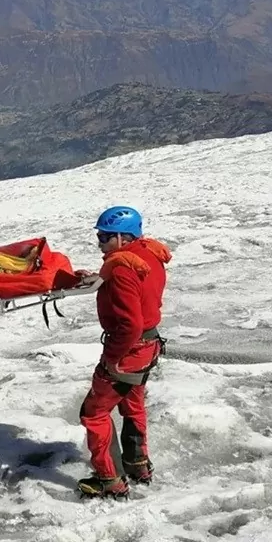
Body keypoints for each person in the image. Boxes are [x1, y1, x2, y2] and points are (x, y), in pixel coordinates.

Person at [76, 205, 172, 499]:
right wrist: (100, 277)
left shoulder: (121, 269)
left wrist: (112, 359)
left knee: (94, 412)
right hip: (149, 345)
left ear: (121, 237)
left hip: (129, 350)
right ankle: (137, 463)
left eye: (105, 237)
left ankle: (108, 479)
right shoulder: (148, 255)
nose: (100, 243)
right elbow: (138, 287)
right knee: (132, 404)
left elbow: (129, 324)